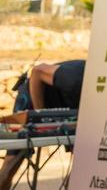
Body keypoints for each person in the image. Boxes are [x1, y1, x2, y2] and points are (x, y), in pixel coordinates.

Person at [0, 60, 85, 190]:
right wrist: (40, 116)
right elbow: (37, 72)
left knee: (82, 165)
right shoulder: (75, 76)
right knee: (11, 165)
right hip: (33, 98)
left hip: (65, 109)